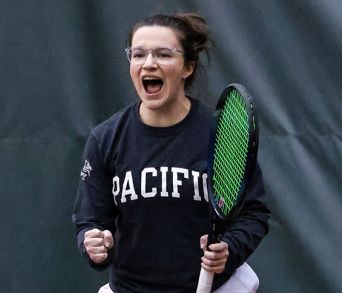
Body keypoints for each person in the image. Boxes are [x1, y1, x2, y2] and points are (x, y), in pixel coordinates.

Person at [72, 12, 270, 293]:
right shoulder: (105, 138)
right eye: (138, 54)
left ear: (187, 67)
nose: (148, 64)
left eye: (163, 55)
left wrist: (230, 248)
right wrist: (92, 242)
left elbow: (253, 214)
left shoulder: (221, 136)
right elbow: (90, 219)